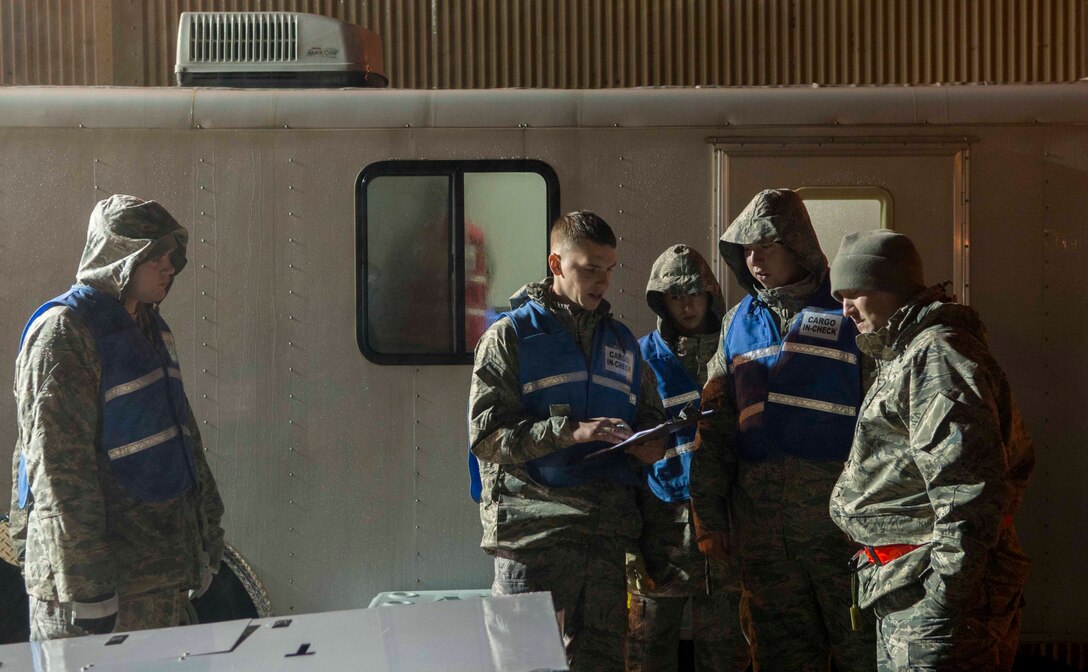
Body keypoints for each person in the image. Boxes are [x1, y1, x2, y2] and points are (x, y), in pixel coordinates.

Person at [8, 195, 226, 641]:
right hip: (99, 591)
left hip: (156, 582)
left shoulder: (150, 329)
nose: (169, 268)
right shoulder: (64, 333)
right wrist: (88, 588)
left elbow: (182, 440)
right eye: (155, 257)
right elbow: (58, 469)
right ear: (119, 258)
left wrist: (204, 541)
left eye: (172, 257)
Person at [468, 210, 667, 672]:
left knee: (600, 663)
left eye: (610, 268)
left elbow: (649, 413)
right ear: (556, 264)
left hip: (603, 535)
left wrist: (649, 444)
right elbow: (487, 436)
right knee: (526, 663)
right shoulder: (510, 337)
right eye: (590, 268)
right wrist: (570, 431)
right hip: (535, 536)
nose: (603, 281)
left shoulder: (621, 341)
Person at [829, 229, 1034, 672]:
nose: (844, 309)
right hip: (906, 588)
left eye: (854, 293)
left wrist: (943, 597)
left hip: (931, 597)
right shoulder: (902, 352)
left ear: (892, 288)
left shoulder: (936, 355)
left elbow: (967, 486)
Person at [689, 188, 875, 671]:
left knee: (866, 653)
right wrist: (708, 519)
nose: (753, 261)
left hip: (843, 536)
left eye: (765, 247)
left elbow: (884, 426)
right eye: (744, 250)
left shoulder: (849, 314)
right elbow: (714, 430)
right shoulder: (736, 325)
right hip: (765, 537)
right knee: (780, 657)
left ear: (797, 245)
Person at [626, 245, 750, 672]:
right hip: (662, 529)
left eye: (695, 293)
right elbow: (629, 454)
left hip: (723, 525)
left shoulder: (735, 351)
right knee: (647, 649)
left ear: (711, 294)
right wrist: (630, 544)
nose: (688, 304)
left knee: (726, 651)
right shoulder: (641, 357)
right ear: (660, 301)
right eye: (676, 295)